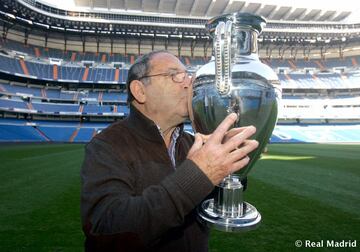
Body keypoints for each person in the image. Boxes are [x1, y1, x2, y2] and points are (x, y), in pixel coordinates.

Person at [80, 50, 259, 252]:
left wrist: (234, 165)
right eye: (175, 75)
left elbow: (217, 199)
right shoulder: (107, 145)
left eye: (188, 76)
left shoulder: (194, 142)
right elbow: (106, 231)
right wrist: (196, 175)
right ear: (140, 91)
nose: (188, 83)